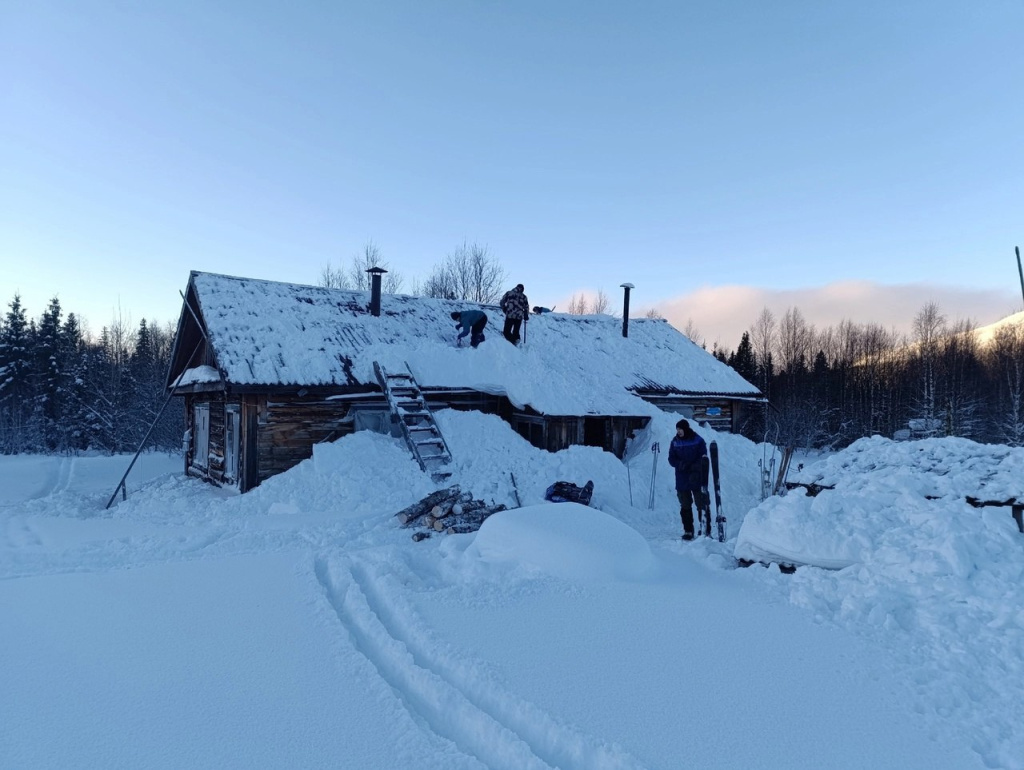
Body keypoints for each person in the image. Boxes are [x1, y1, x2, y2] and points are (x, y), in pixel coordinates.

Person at [667, 418, 710, 540]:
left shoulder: (698, 440)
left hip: (696, 477)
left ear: (686, 429)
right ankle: (688, 531)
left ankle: (705, 529)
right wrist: (680, 464)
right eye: (677, 429)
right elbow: (671, 459)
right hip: (681, 479)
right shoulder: (675, 442)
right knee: (685, 505)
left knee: (701, 503)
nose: (678, 431)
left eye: (680, 429)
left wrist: (694, 466)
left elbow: (703, 457)